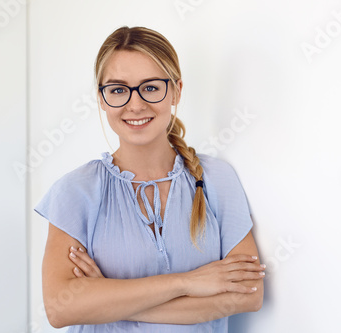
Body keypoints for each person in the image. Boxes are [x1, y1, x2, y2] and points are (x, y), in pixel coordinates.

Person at [34, 26, 264, 332]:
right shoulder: (76, 190)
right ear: (102, 99)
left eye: (151, 87)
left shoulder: (217, 179)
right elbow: (60, 309)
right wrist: (189, 282)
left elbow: (248, 295)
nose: (135, 104)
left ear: (177, 90)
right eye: (118, 90)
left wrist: (108, 301)